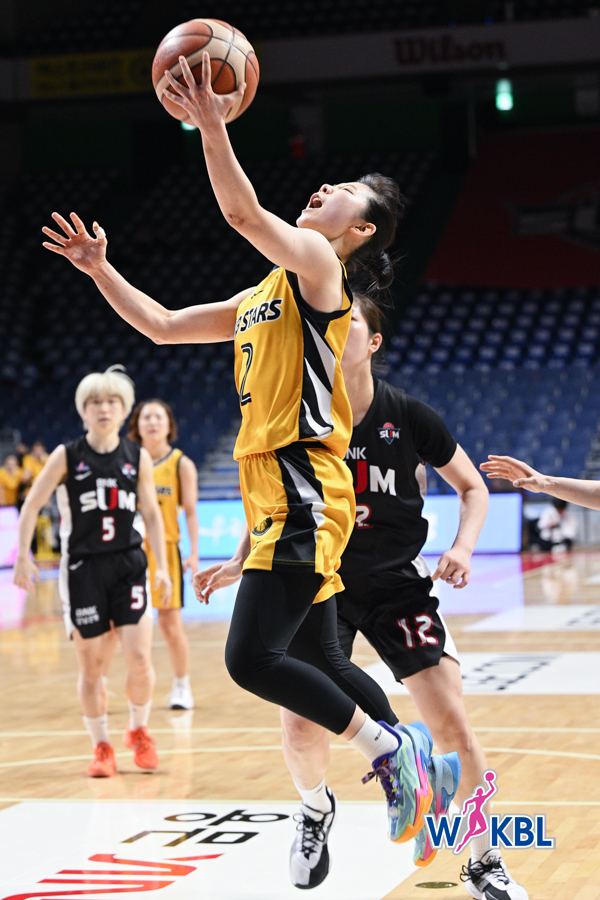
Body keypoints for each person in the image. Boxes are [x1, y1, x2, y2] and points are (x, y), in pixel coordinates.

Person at [40, 51, 443, 846]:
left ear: (359, 231)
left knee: (249, 661)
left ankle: (389, 750)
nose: (322, 188)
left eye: (342, 192)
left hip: (304, 487)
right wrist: (101, 270)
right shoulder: (263, 294)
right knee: (322, 662)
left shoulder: (322, 266)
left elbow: (242, 214)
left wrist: (211, 125)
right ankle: (406, 759)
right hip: (277, 496)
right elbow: (162, 326)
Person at [198, 296, 528, 899]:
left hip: (397, 584)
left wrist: (463, 547)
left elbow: (473, 488)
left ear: (373, 342)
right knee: (300, 723)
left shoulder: (408, 414)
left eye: (348, 323)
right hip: (319, 579)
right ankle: (314, 809)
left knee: (452, 724)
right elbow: (281, 496)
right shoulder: (301, 408)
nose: (332, 329)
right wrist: (243, 556)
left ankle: (484, 859)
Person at [13, 366, 172, 777]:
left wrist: (163, 568)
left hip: (129, 565)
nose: (104, 408)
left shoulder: (137, 457)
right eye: (95, 402)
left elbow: (151, 513)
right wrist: (23, 556)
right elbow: (31, 505)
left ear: (124, 410)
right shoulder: (66, 455)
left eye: (112, 401)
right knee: (91, 666)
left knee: (139, 658)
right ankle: (101, 745)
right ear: (83, 410)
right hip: (83, 569)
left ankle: (138, 730)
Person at [128, 399, 200, 710]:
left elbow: (191, 512)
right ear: (137, 426)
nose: (153, 422)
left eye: (159, 417)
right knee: (122, 625)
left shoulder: (181, 463)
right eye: (146, 417)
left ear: (169, 425)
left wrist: (194, 553)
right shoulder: (127, 460)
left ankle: (182, 685)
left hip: (166, 550)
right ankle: (125, 686)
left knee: (170, 625)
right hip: (129, 551)